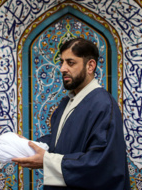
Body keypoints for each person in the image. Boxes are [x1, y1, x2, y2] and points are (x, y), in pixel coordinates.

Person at [12, 38, 130, 190]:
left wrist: (47, 160)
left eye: (70, 62)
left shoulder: (103, 104)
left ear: (90, 66)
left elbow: (101, 163)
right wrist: (30, 146)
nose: (62, 68)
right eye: (61, 62)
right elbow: (61, 141)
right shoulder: (66, 102)